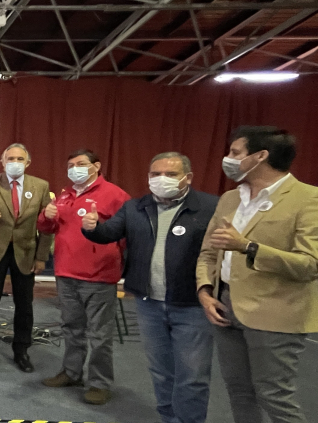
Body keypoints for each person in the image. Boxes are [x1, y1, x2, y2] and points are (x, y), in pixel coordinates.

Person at [196, 127, 318, 423]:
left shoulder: (316, 200)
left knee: (274, 395)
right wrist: (205, 291)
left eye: (235, 152)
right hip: (225, 306)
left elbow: (312, 264)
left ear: (260, 156)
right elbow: (209, 252)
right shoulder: (230, 198)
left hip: (276, 311)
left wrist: (247, 246)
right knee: (239, 391)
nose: (228, 158)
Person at [83, 152, 218, 423]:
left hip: (192, 304)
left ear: (188, 178)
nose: (161, 179)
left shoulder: (210, 207)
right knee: (161, 371)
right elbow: (109, 234)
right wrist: (92, 227)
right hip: (149, 304)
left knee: (192, 376)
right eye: (156, 174)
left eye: (170, 174)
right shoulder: (136, 207)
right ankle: (168, 418)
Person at [37, 149, 131, 405]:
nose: (74, 169)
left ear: (96, 166)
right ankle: (71, 372)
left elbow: (127, 234)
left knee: (99, 334)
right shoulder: (65, 195)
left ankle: (99, 383)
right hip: (66, 272)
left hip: (99, 275)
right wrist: (46, 216)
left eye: (80, 164)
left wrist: (110, 253)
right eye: (70, 165)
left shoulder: (115, 195)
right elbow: (47, 228)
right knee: (71, 327)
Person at [0, 143, 53, 373]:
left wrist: (41, 257)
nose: (15, 163)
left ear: (28, 162)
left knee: (24, 304)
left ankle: (21, 350)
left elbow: (47, 225)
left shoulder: (40, 186)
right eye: (10, 158)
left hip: (26, 251)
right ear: (2, 161)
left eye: (20, 159)